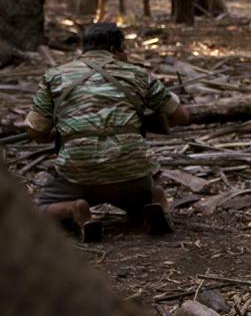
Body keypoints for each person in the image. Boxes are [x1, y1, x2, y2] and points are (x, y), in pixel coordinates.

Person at [25, 22, 189, 242]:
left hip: (78, 172)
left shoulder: (54, 76)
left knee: (42, 208)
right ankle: (155, 200)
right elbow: (181, 116)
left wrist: (62, 131)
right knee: (136, 193)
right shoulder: (138, 74)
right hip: (130, 170)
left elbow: (35, 129)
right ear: (114, 49)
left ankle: (73, 209)